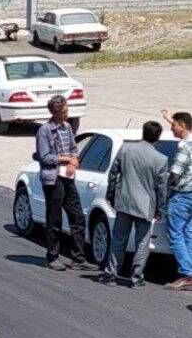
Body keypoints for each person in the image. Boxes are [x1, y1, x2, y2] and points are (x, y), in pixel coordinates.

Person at [101, 121, 169, 287]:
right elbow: (161, 188)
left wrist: (110, 194)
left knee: (119, 240)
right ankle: (136, 278)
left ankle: (111, 275)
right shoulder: (161, 159)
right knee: (142, 243)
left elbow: (113, 174)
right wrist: (160, 208)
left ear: (143, 132)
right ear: (158, 137)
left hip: (124, 201)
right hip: (146, 206)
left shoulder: (126, 149)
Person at [35, 95, 96, 272]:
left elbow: (74, 149)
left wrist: (73, 160)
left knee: (77, 216)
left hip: (68, 177)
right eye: (64, 111)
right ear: (55, 112)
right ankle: (52, 257)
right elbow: (44, 157)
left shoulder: (68, 127)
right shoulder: (45, 131)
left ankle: (78, 258)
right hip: (53, 178)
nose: (67, 114)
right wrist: (66, 159)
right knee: (54, 218)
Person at [163, 110, 192, 290]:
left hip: (181, 195)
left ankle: (187, 274)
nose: (172, 128)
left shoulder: (185, 147)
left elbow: (175, 173)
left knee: (175, 234)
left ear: (182, 126)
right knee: (188, 233)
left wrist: (165, 192)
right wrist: (168, 118)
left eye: (173, 125)